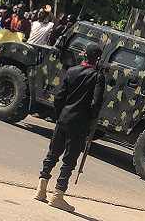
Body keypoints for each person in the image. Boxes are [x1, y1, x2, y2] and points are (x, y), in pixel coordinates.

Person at [35, 43, 105, 212]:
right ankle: (58, 196)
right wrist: (90, 120)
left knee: (52, 154)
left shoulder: (71, 71)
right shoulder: (97, 76)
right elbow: (96, 103)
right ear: (98, 59)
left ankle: (41, 189)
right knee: (69, 160)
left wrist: (61, 115)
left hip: (63, 118)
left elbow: (59, 96)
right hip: (79, 123)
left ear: (84, 55)